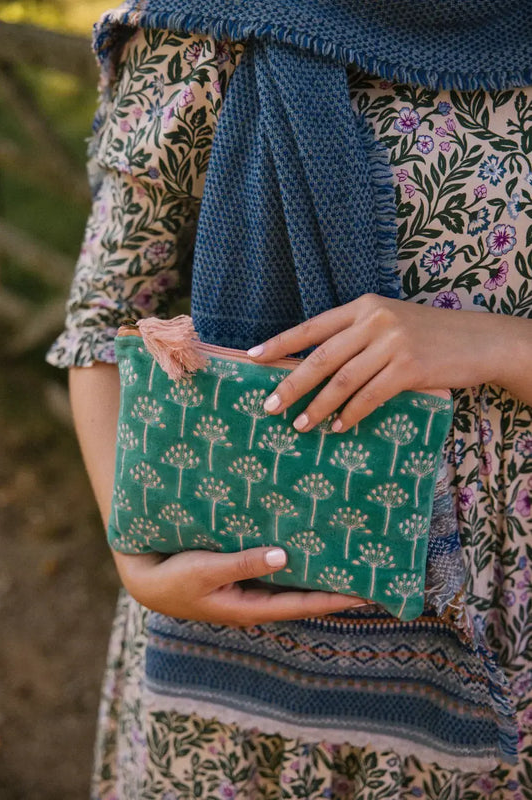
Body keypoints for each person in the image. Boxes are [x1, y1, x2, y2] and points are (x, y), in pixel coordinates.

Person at [47, 13, 532, 800]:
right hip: (244, 636)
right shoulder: (206, 29)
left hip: (504, 633)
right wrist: (137, 567)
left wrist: (503, 347)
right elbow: (104, 328)